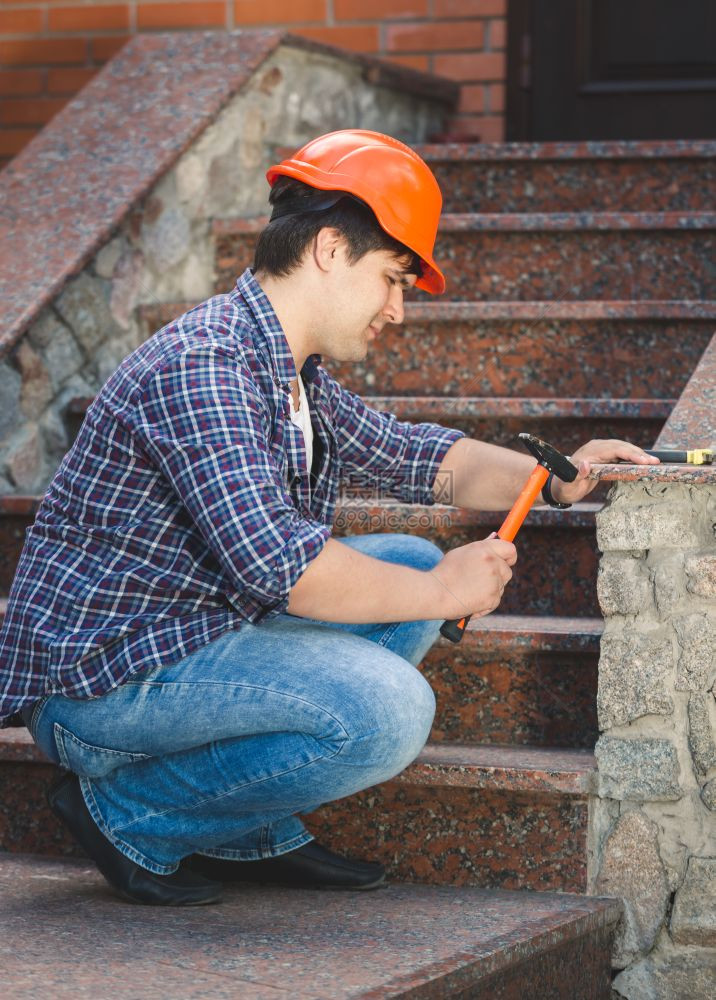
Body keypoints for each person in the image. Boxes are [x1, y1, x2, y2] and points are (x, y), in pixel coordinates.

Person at [0, 130, 657, 906]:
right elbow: (286, 570)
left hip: (189, 634)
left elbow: (424, 459)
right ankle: (129, 813)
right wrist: (448, 592)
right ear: (328, 249)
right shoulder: (205, 366)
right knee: (388, 709)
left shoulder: (288, 371)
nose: (397, 311)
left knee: (408, 562)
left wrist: (559, 478)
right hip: (102, 682)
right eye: (392, 279)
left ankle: (246, 829)